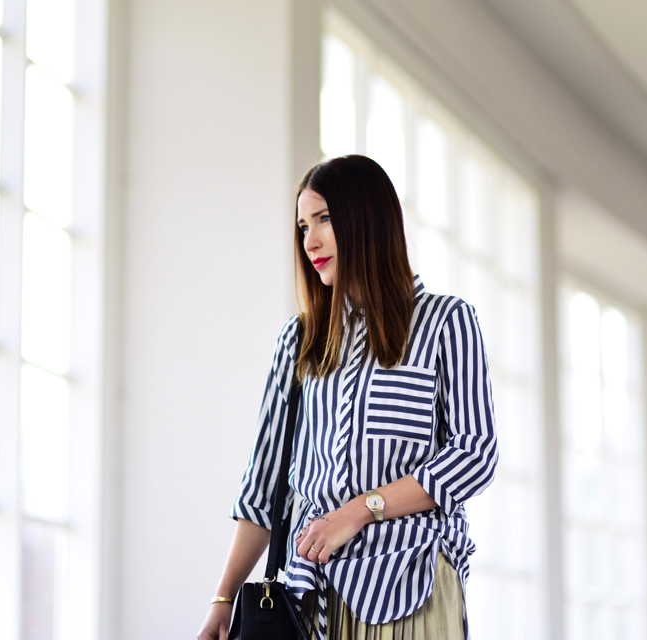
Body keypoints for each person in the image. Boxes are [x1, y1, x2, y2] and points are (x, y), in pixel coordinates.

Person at [197, 155, 498, 640]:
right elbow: (264, 489)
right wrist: (224, 598)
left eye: (325, 220)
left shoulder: (446, 323)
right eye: (302, 225)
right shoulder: (299, 341)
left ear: (367, 219)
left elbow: (475, 455)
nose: (309, 241)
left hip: (409, 582)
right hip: (308, 599)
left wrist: (358, 511)